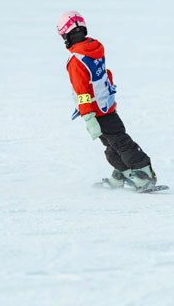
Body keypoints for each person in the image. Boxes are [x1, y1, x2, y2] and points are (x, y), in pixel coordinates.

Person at [57, 11, 157, 190]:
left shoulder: (76, 59)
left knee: (118, 141)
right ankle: (123, 171)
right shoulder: (94, 48)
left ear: (66, 35)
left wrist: (88, 116)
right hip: (106, 103)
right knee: (111, 142)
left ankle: (143, 172)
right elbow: (104, 74)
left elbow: (82, 91)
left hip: (96, 109)